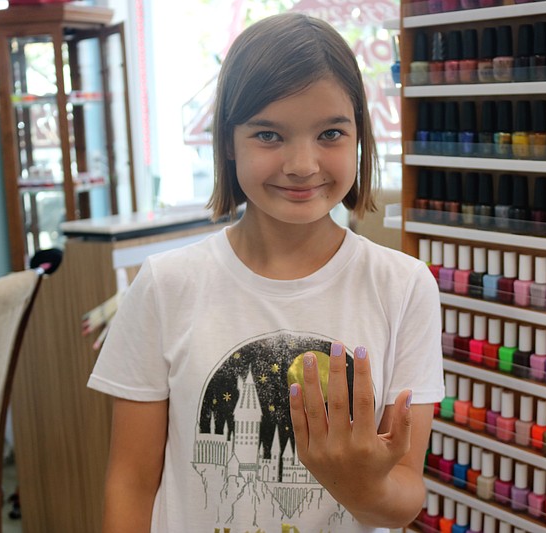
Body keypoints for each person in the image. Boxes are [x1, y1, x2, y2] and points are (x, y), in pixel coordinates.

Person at [88, 12, 443, 533]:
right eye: (269, 134)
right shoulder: (165, 285)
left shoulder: (405, 286)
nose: (302, 164)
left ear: (359, 138)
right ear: (228, 143)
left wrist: (364, 485)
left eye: (329, 133)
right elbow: (130, 481)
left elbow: (405, 493)